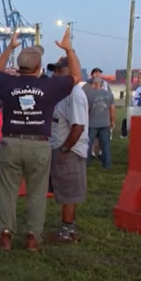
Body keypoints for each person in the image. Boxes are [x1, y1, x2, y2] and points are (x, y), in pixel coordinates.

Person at [0, 27, 81, 252]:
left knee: (8, 191)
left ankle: (5, 235)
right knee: (37, 193)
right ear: (39, 67)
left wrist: (10, 47)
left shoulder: (7, 84)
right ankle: (32, 237)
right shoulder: (49, 85)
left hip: (11, 142)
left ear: (20, 67)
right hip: (39, 143)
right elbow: (76, 77)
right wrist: (69, 50)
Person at [47, 57, 89, 243]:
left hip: (69, 150)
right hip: (61, 147)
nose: (56, 75)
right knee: (64, 190)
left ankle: (67, 231)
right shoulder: (63, 93)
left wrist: (65, 149)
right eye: (54, 71)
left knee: (69, 192)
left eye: (60, 71)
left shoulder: (75, 94)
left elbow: (78, 127)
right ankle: (68, 229)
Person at [85, 76, 114, 169]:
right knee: (105, 145)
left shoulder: (89, 94)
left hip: (92, 123)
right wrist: (112, 121)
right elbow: (112, 110)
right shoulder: (109, 94)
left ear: (94, 84)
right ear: (101, 84)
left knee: (88, 144)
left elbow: (87, 110)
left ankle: (86, 163)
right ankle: (107, 164)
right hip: (105, 123)